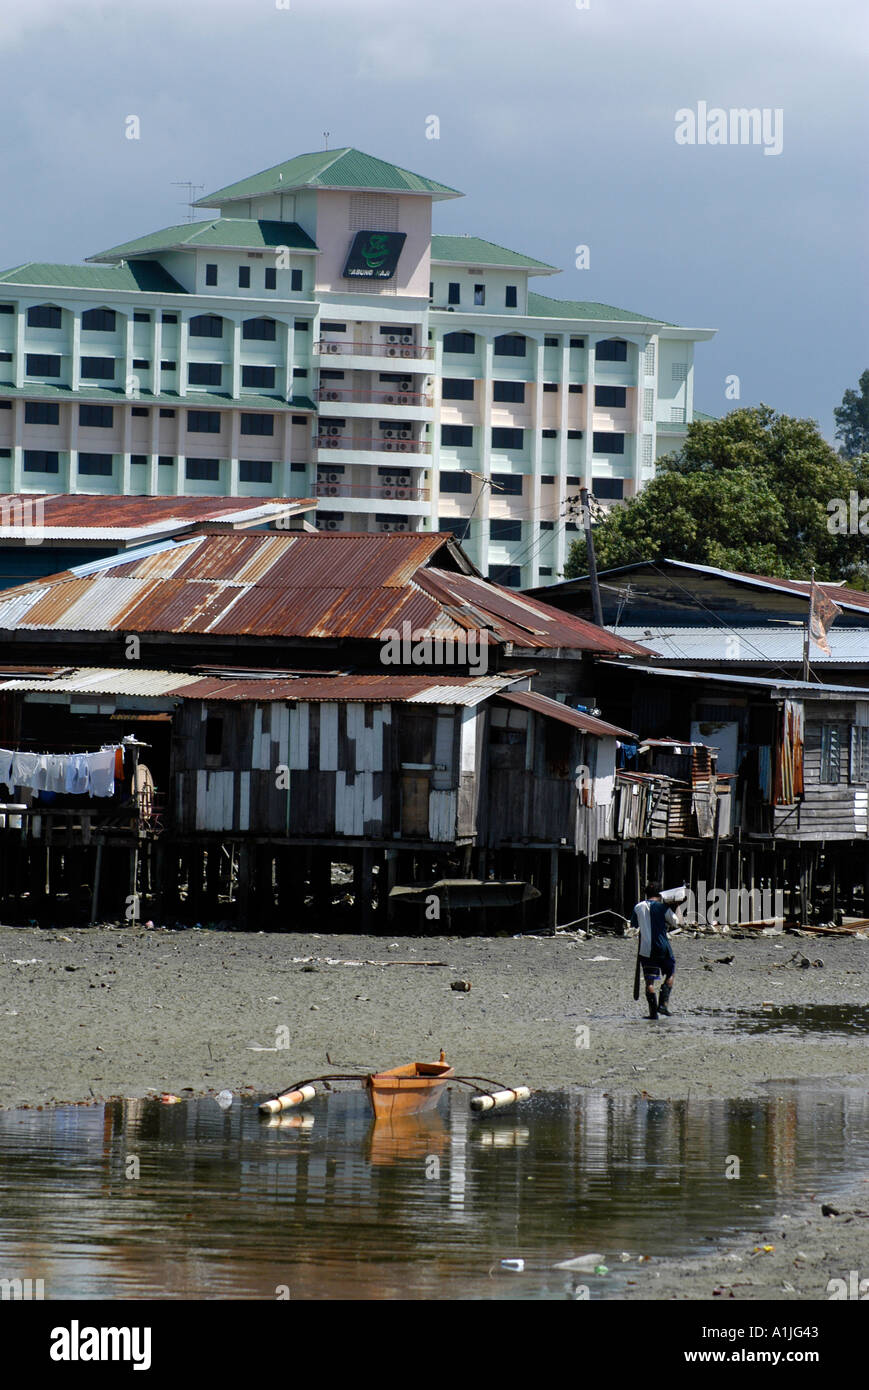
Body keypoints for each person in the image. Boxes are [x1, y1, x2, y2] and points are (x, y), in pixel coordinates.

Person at [631, 882, 679, 1019]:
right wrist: (676, 907)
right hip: (662, 947)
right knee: (670, 973)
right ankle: (663, 1005)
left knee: (649, 981)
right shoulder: (662, 907)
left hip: (646, 949)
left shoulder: (638, 907)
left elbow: (634, 925)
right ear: (660, 894)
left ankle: (653, 1014)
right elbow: (676, 922)